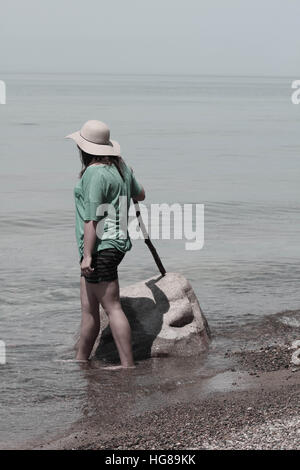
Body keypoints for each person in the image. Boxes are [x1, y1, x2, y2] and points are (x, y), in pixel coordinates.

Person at [66, 120, 145, 369]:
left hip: (100, 247)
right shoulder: (121, 167)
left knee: (112, 308)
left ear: (84, 149)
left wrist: (87, 255)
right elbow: (140, 194)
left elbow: (92, 218)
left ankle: (127, 365)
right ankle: (80, 361)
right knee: (88, 309)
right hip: (114, 243)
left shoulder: (93, 173)